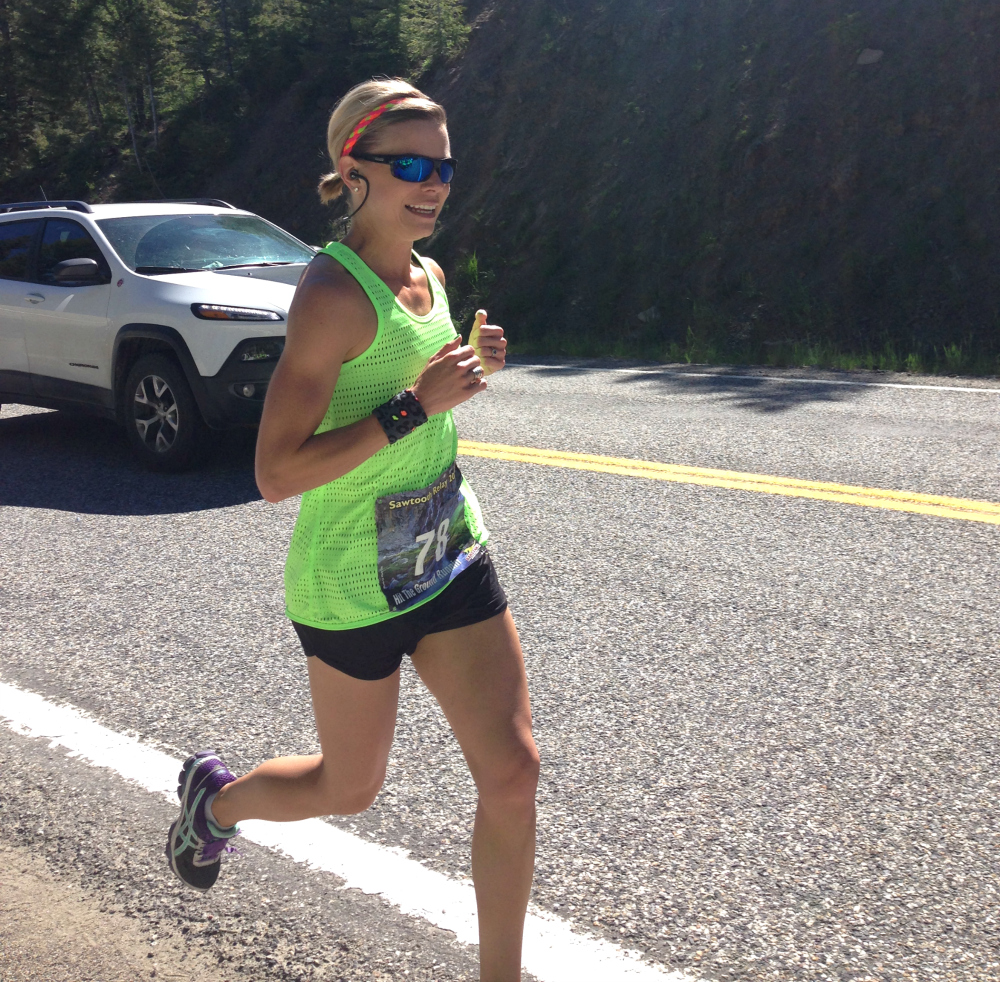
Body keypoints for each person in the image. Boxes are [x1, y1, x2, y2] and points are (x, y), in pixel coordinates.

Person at [165, 78, 540, 982]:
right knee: (350, 786)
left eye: (444, 166)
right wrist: (417, 405)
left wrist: (468, 367)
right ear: (353, 168)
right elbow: (275, 473)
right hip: (350, 583)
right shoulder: (332, 295)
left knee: (514, 773)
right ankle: (217, 806)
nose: (434, 183)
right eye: (409, 165)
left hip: (445, 552)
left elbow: (418, 386)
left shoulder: (429, 275)